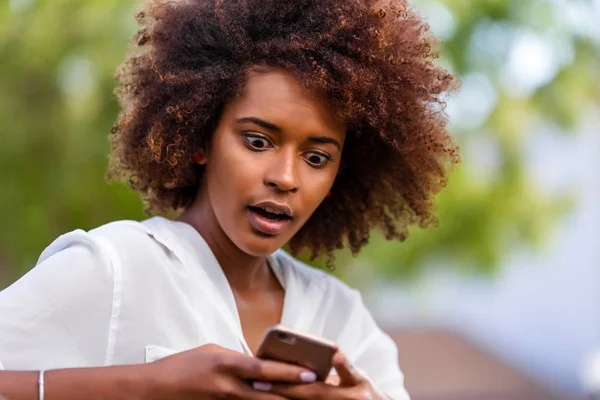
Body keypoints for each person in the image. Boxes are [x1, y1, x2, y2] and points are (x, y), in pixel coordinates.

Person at [0, 0, 458, 398]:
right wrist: (146, 384)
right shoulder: (115, 267)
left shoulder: (342, 318)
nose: (285, 178)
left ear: (340, 175)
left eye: (317, 157)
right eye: (258, 141)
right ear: (201, 138)